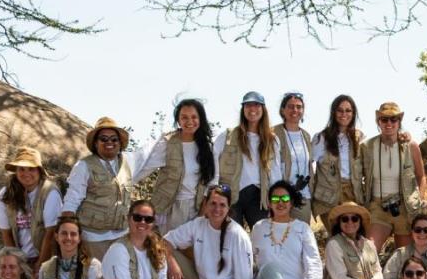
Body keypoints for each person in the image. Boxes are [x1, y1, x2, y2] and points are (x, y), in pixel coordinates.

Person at [253, 180, 340, 279]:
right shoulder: (259, 227)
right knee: (271, 267)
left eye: (285, 198)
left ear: (291, 202)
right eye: (275, 199)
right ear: (269, 203)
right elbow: (250, 258)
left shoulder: (302, 228)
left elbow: (312, 260)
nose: (280, 202)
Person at [134, 97, 216, 228]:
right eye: (184, 117)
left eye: (194, 117)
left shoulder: (207, 147)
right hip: (167, 208)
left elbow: (212, 182)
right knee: (165, 246)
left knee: (189, 248)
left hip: (195, 209)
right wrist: (124, 183)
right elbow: (146, 167)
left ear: (200, 119)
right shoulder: (167, 142)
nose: (189, 121)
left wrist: (202, 213)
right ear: (178, 120)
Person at [64, 117, 135, 257]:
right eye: (103, 139)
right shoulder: (83, 166)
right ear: (96, 143)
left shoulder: (127, 163)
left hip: (122, 235)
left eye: (114, 139)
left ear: (120, 143)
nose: (109, 142)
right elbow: (71, 200)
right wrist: (69, 233)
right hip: (93, 238)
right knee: (96, 277)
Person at [361, 102, 427, 247]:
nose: (389, 123)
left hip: (404, 207)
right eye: (384, 119)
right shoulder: (367, 147)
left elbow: (421, 176)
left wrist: (419, 202)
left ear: (399, 122)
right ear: (378, 122)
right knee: (369, 252)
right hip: (378, 208)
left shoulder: (411, 146)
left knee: (405, 257)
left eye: (393, 119)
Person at [216, 92, 273, 225]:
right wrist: (214, 194)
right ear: (243, 109)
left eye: (257, 105)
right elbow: (214, 165)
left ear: (263, 109)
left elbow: (275, 172)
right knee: (232, 238)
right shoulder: (227, 136)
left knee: (263, 238)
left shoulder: (271, 139)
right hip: (231, 196)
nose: (252, 109)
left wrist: (274, 198)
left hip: (259, 198)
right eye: (248, 105)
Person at [0, 146, 62, 263]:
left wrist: (39, 266)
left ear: (39, 171)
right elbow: (6, 233)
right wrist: (16, 263)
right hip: (19, 257)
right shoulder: (6, 193)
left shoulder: (49, 192)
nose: (26, 173)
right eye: (22, 169)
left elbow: (51, 233)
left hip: (45, 257)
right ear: (16, 171)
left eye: (31, 169)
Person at [311, 94, 366, 224]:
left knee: (353, 236)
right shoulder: (321, 138)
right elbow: (306, 165)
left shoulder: (359, 138)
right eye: (340, 110)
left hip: (353, 194)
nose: (344, 114)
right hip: (328, 197)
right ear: (333, 112)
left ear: (353, 113)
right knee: (336, 237)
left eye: (348, 110)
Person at [323, 200, 388, 279]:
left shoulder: (369, 244)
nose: (350, 222)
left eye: (354, 218)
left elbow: (378, 271)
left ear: (360, 221)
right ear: (339, 222)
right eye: (345, 219)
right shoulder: (334, 244)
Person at [270, 91, 317, 222]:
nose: (295, 110)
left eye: (299, 107)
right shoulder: (273, 133)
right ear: (282, 110)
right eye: (290, 106)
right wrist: (287, 189)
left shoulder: (306, 136)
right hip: (280, 198)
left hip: (303, 197)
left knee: (301, 237)